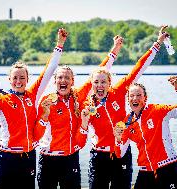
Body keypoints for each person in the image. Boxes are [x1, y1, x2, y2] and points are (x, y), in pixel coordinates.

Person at [0, 28, 68, 189]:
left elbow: (50, 70)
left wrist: (59, 44)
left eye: (22, 78)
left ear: (27, 79)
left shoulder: (33, 94)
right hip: (6, 158)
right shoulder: (2, 100)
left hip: (27, 158)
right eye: (15, 78)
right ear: (9, 80)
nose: (19, 81)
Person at [80, 25, 170, 189]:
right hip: (98, 156)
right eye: (96, 82)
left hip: (121, 153)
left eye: (103, 82)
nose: (100, 85)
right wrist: (85, 121)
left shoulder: (118, 91)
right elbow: (83, 130)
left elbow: (139, 68)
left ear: (109, 83)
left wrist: (157, 43)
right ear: (91, 84)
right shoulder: (88, 105)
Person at [35, 35, 124, 189]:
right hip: (47, 159)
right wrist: (45, 115)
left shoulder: (78, 96)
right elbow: (36, 135)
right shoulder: (46, 101)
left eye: (67, 78)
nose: (63, 81)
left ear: (72, 81)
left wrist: (115, 49)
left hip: (71, 159)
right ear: (55, 81)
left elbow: (101, 72)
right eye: (60, 78)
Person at [113, 76, 177, 189]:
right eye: (131, 96)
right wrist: (118, 138)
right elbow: (120, 154)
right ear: (128, 99)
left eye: (139, 95)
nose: (135, 98)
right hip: (145, 172)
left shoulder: (158, 110)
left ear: (145, 98)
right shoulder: (127, 122)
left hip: (167, 168)